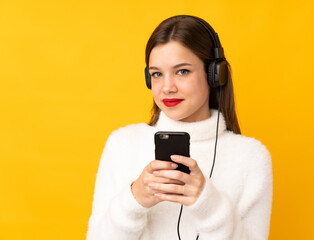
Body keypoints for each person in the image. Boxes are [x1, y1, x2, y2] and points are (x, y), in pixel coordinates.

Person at [86, 15, 272, 240]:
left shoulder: (251, 157)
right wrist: (133, 201)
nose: (167, 87)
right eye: (157, 74)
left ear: (214, 75)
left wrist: (208, 204)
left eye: (182, 71)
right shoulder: (122, 144)